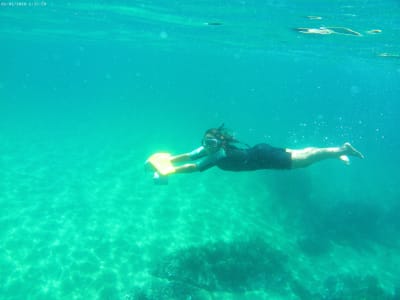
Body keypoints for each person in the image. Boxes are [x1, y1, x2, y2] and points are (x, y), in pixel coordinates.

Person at [165, 124, 364, 176]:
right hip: (260, 151)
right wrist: (170, 160)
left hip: (264, 157)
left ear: (220, 143)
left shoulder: (219, 154)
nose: (209, 146)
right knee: (302, 153)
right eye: (207, 142)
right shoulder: (207, 148)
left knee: (306, 160)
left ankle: (340, 150)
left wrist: (170, 171)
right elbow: (188, 156)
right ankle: (336, 153)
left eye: (213, 143)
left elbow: (193, 167)